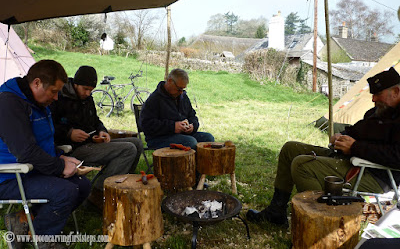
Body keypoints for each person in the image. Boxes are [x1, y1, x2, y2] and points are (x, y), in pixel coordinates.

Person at [247, 67, 400, 226]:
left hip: (376, 175)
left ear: (395, 91)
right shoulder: (379, 111)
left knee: (302, 165)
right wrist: (342, 136)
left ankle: (322, 224)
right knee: (290, 149)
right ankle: (276, 212)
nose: (373, 99)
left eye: (378, 94)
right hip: (354, 159)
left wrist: (355, 147)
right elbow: (358, 130)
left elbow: (397, 156)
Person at [0, 60, 91, 249]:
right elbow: (25, 151)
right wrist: (59, 166)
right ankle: (42, 239)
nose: (56, 98)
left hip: (31, 170)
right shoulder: (9, 103)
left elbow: (42, 142)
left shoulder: (35, 100)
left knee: (82, 185)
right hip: (9, 177)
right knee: (65, 191)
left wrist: (60, 156)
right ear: (37, 83)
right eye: (54, 91)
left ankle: (25, 222)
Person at [50, 66, 143, 209]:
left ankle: (121, 187)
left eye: (91, 90)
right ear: (76, 84)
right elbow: (49, 125)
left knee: (136, 143)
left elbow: (95, 120)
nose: (88, 93)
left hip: (89, 143)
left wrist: (101, 131)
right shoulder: (59, 97)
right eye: (85, 89)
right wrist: (69, 133)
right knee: (128, 149)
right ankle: (98, 195)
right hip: (71, 149)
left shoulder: (87, 99)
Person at [140, 68, 214, 149]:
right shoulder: (155, 99)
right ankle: (189, 162)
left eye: (183, 89)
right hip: (159, 138)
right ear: (170, 81)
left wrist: (192, 126)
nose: (181, 92)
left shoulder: (182, 97)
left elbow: (192, 116)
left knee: (208, 139)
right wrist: (173, 127)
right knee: (190, 142)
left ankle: (202, 162)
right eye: (179, 89)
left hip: (183, 135)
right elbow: (146, 124)